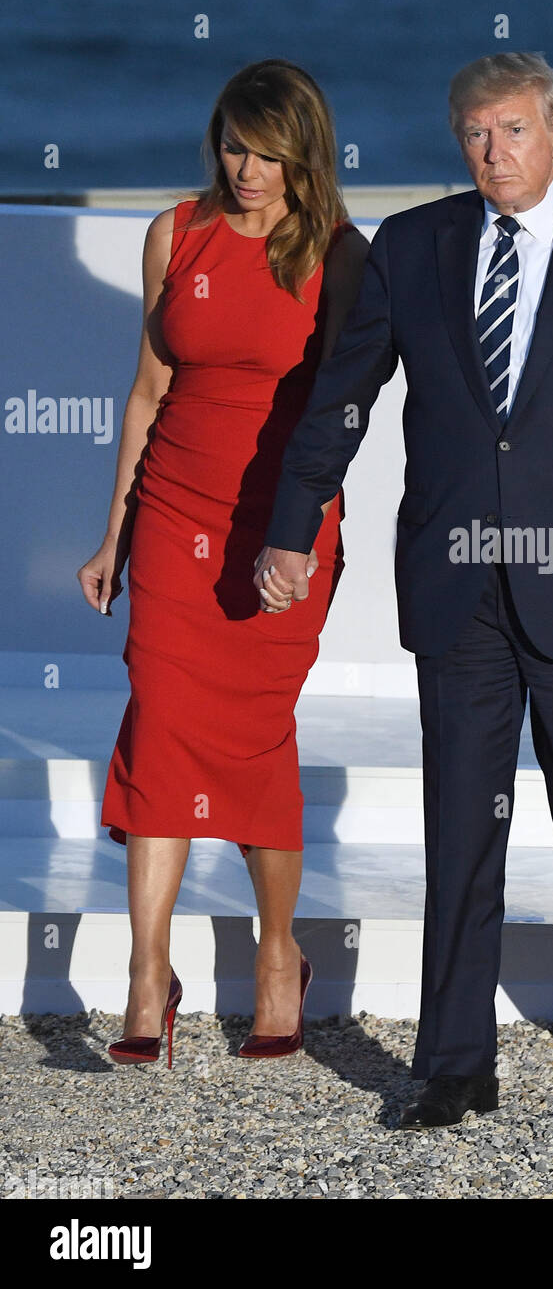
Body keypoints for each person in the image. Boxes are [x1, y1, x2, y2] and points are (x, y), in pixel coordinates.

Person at [256, 52, 553, 1127]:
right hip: (458, 578)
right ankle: (454, 1064)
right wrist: (290, 529)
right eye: (474, 132)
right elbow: (341, 400)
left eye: (513, 130)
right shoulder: (411, 246)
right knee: (461, 823)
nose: (492, 152)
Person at [77, 60, 368, 1064]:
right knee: (159, 723)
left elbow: (344, 407)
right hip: (171, 516)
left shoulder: (337, 252)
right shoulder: (176, 233)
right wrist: (115, 530)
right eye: (235, 148)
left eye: (269, 154)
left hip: (279, 532)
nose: (248, 171)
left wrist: (305, 527)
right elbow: (149, 389)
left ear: (304, 154)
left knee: (252, 736)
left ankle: (279, 955)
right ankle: (146, 975)